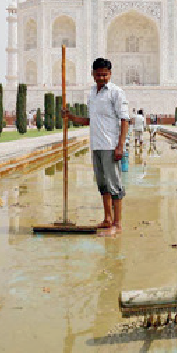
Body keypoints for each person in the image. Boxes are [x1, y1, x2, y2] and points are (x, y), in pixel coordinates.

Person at [63, 58, 130, 231]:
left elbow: (124, 120)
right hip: (97, 145)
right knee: (103, 185)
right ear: (92, 74)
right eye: (98, 74)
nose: (101, 78)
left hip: (110, 145)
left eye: (105, 75)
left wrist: (120, 145)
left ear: (110, 74)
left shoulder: (116, 92)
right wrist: (71, 117)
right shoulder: (92, 93)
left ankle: (118, 223)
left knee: (114, 185)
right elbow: (90, 120)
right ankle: (107, 219)